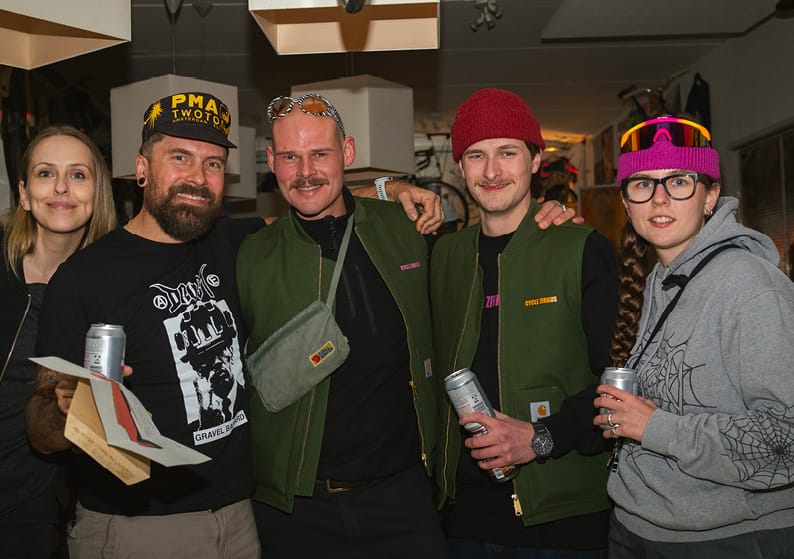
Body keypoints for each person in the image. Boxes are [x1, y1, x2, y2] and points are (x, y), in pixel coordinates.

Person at [24, 91, 445, 559]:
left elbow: (315, 199)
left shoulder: (231, 242)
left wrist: (390, 190)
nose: (197, 177)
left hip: (241, 519)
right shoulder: (83, 278)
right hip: (139, 527)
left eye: (213, 164)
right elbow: (40, 429)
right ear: (141, 168)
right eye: (179, 158)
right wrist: (73, 408)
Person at [236, 92, 575, 558]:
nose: (305, 171)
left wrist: (547, 220)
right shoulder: (247, 252)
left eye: (320, 153)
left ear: (348, 152)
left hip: (404, 499)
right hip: (296, 509)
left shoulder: (407, 229)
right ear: (272, 160)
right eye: (290, 157)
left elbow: (494, 252)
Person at [594, 115, 794, 558]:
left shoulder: (750, 286)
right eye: (642, 184)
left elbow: (788, 438)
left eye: (679, 181)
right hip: (636, 524)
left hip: (727, 537)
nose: (660, 198)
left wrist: (656, 428)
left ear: (711, 196)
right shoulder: (657, 279)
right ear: (626, 203)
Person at [431, 88, 619, 558]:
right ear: (460, 168)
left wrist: (541, 437)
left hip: (564, 517)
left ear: (536, 160)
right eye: (476, 156)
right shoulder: (444, 256)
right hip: (464, 519)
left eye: (508, 152)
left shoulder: (582, 248)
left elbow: (620, 382)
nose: (492, 171)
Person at [1, 125, 117, 559]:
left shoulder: (112, 290)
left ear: (97, 193)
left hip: (33, 506)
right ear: (24, 193)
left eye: (78, 174)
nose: (62, 187)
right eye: (46, 173)